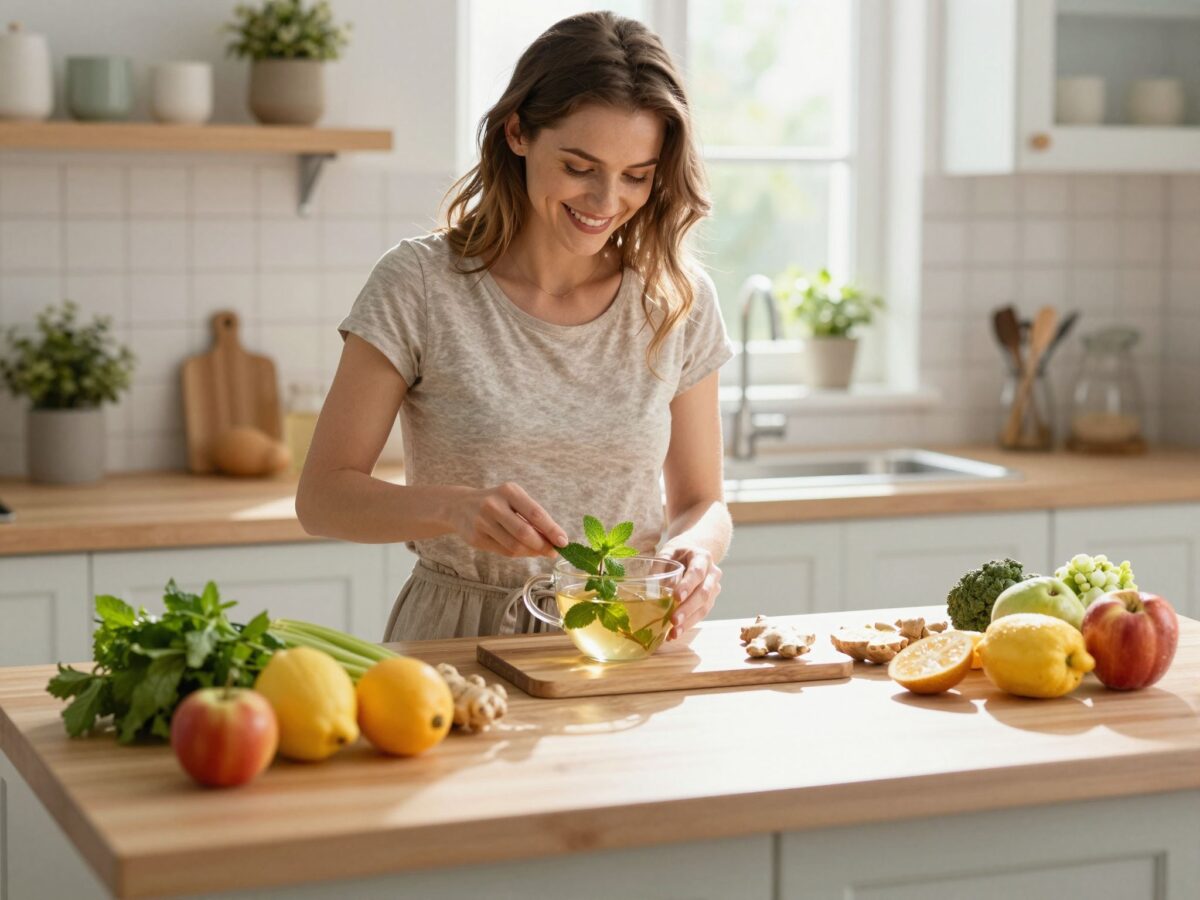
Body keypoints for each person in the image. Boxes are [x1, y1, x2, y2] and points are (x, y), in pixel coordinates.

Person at [295, 11, 734, 643]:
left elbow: (701, 500)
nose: (607, 201)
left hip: (622, 641)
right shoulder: (420, 284)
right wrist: (452, 507)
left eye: (636, 176)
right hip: (456, 640)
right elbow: (322, 498)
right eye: (580, 167)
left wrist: (696, 551)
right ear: (518, 132)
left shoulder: (675, 299)